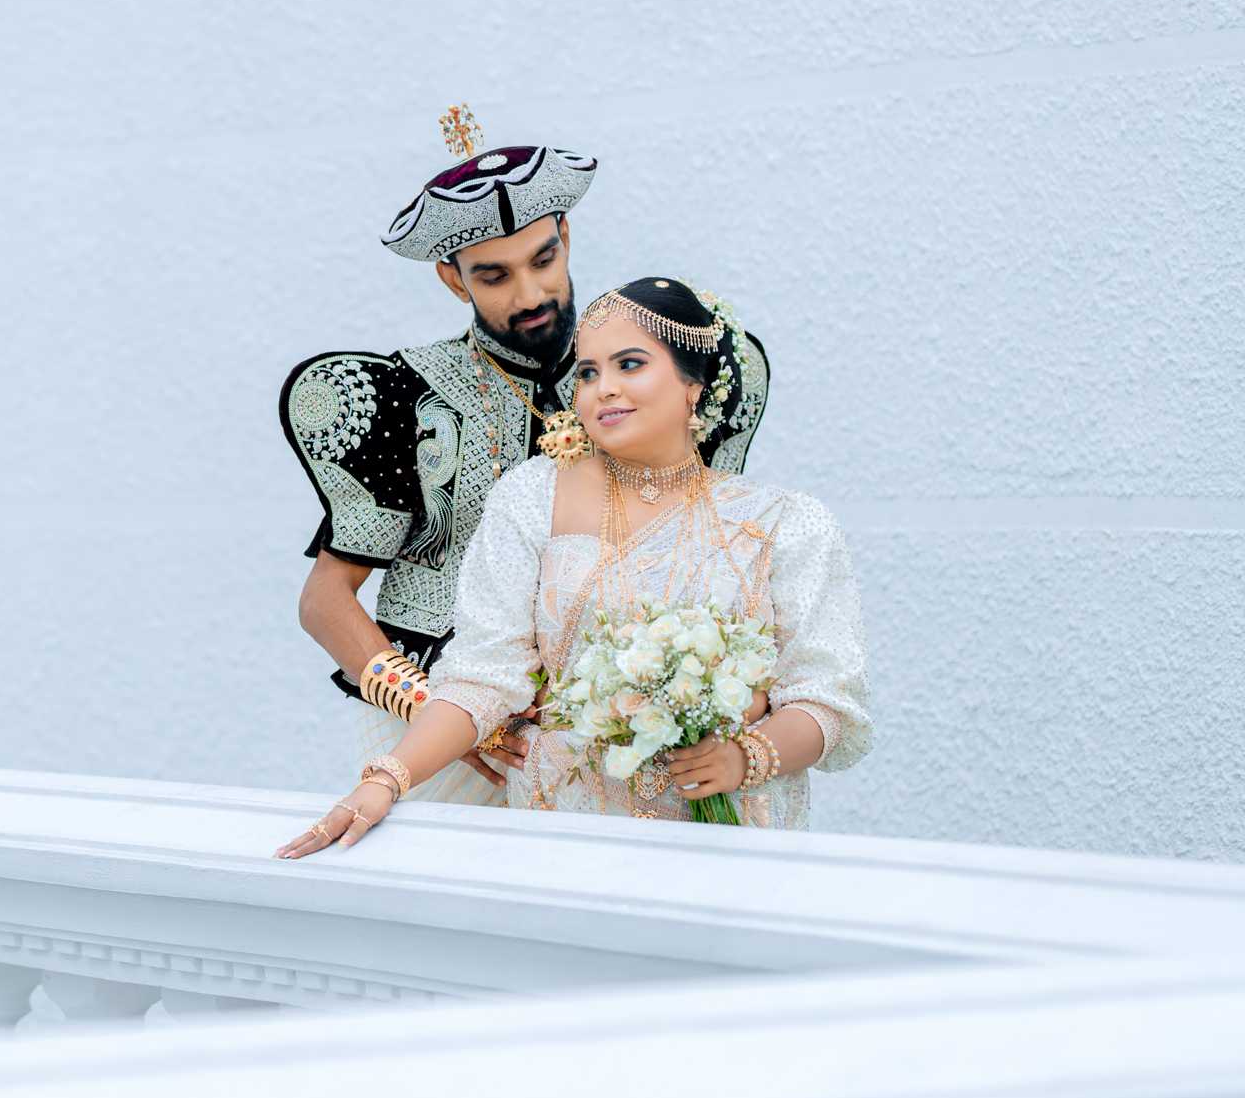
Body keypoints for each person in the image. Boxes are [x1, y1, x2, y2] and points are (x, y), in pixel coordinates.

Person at [275, 276, 872, 856]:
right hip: (565, 836)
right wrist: (386, 779)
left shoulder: (782, 522)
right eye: (587, 372)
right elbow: (484, 677)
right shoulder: (532, 496)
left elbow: (827, 703)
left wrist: (747, 756)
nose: (602, 389)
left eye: (630, 364)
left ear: (694, 383)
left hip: (730, 842)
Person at [280, 109, 601, 806]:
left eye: (543, 260)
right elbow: (323, 601)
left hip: (602, 720)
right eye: (494, 275)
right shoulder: (405, 395)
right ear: (453, 280)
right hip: (440, 733)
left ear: (566, 236)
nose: (529, 295)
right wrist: (439, 714)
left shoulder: (633, 376)